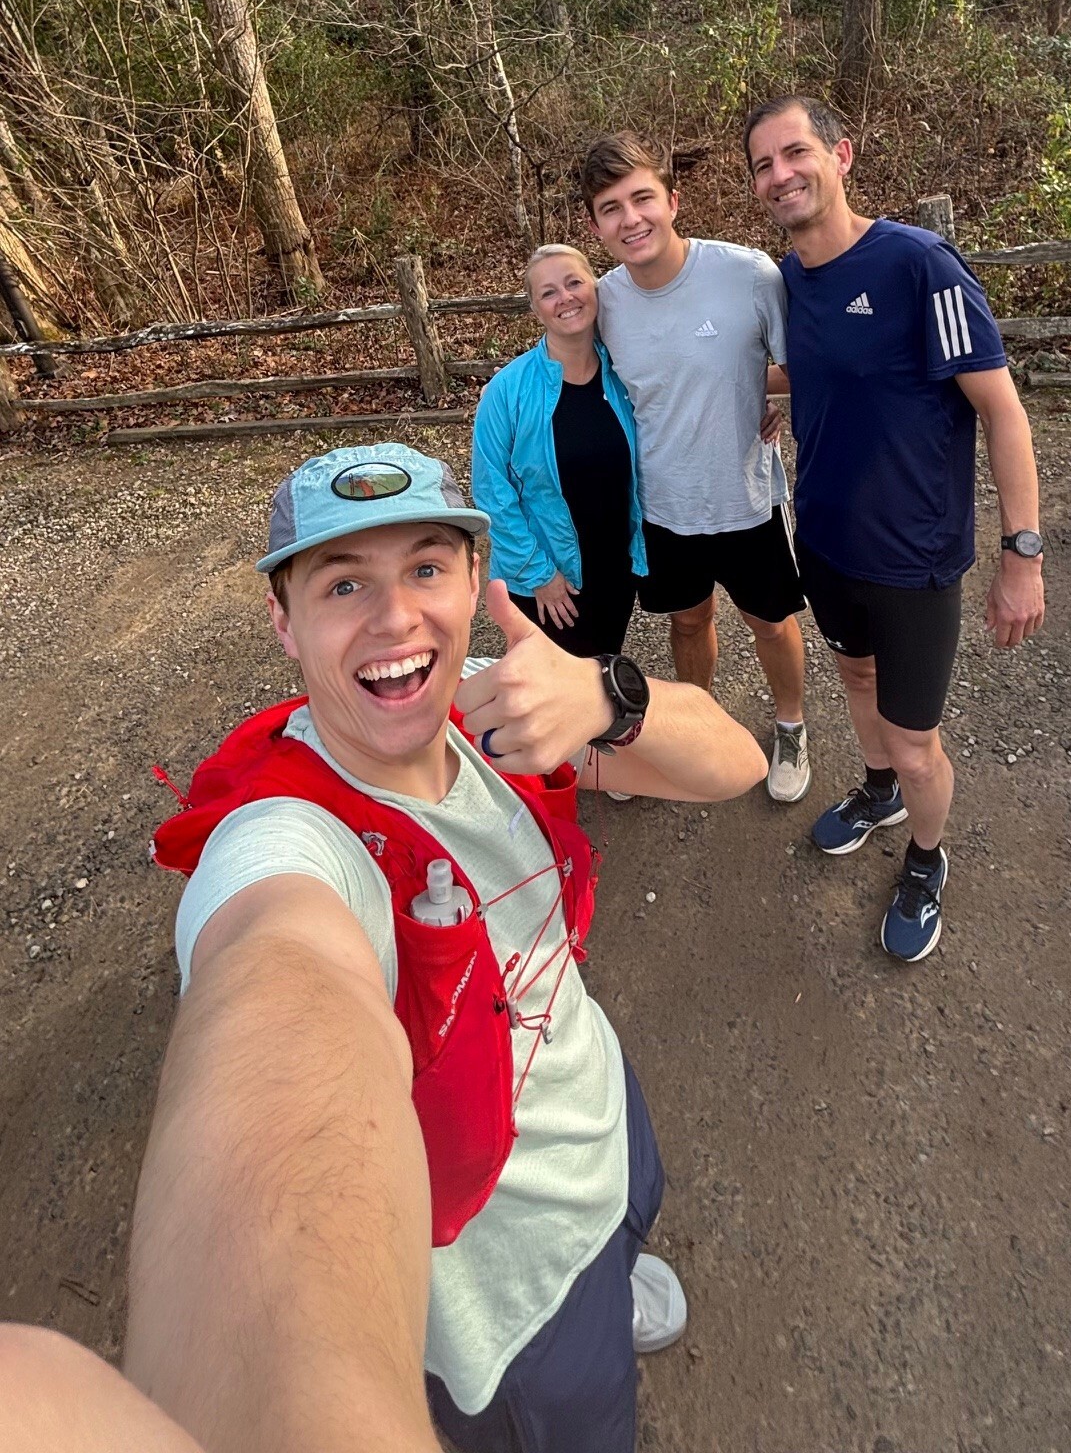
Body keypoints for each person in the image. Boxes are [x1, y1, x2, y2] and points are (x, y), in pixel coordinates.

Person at [42, 442, 763, 1453]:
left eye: (425, 568)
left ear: (474, 582)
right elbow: (277, 996)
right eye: (344, 585)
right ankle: (590, 1303)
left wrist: (608, 695)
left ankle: (614, 1268)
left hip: (593, 1101)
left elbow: (737, 765)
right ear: (284, 624)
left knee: (631, 1205)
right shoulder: (287, 839)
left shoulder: (493, 708)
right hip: (511, 1300)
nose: (394, 619)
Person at [745, 94, 1045, 962]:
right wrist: (767, 395)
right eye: (763, 164)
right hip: (825, 542)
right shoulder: (791, 279)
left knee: (919, 745)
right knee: (855, 678)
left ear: (841, 155)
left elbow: (1003, 412)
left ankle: (925, 857)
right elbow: (822, 366)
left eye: (795, 152)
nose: (780, 175)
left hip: (914, 558)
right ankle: (876, 793)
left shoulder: (920, 266)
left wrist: (1022, 555)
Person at [579, 128, 813, 806]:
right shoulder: (601, 304)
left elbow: (799, 366)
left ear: (673, 201)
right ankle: (695, 728)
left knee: (771, 623)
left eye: (642, 198)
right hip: (662, 505)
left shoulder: (748, 275)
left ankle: (791, 727)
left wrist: (770, 399)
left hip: (745, 496)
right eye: (611, 208)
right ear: (595, 227)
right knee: (687, 622)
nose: (631, 219)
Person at [471, 244, 646, 657]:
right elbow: (492, 490)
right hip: (548, 580)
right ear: (536, 308)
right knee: (549, 686)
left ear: (594, 288)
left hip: (615, 568)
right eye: (548, 292)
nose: (565, 298)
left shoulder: (626, 374)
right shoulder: (507, 391)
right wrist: (539, 575)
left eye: (574, 283)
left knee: (603, 671)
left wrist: (756, 407)